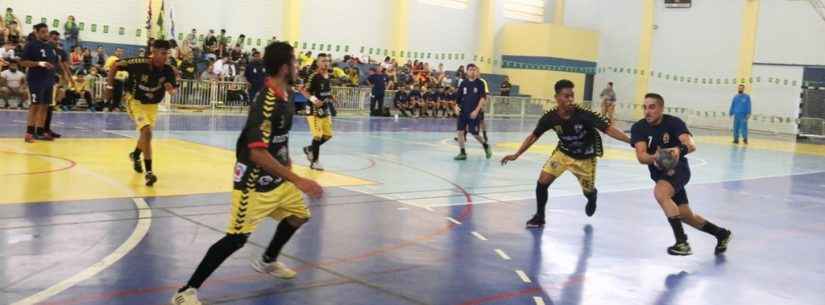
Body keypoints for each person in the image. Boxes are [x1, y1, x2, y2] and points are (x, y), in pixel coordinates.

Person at [171, 42, 323, 305]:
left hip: (278, 180)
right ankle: (186, 291)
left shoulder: (287, 94)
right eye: (295, 63)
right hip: (252, 182)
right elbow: (257, 153)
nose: (298, 67)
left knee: (299, 215)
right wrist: (298, 179)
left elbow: (279, 139)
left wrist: (288, 166)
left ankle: (268, 260)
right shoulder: (266, 102)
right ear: (286, 67)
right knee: (236, 239)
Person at [500, 79, 631, 228]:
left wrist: (631, 141)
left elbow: (608, 129)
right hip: (563, 153)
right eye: (566, 96)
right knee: (542, 182)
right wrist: (516, 154)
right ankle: (539, 217)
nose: (570, 99)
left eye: (572, 96)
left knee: (587, 191)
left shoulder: (584, 115)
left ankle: (592, 196)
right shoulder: (550, 117)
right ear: (557, 97)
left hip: (585, 159)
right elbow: (533, 136)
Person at [630, 93, 732, 255]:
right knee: (685, 215)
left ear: (661, 108)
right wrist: (655, 158)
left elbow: (691, 144)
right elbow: (641, 156)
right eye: (645, 107)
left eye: (652, 107)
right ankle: (721, 234)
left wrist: (677, 150)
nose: (647, 111)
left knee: (660, 193)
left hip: (679, 170)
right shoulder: (639, 127)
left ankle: (682, 243)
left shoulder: (674, 123)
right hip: (660, 174)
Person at [107, 40, 178, 186]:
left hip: (152, 105)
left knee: (145, 135)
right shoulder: (138, 63)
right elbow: (115, 65)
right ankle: (149, 173)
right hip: (135, 101)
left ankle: (135, 155)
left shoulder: (169, 70)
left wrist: (171, 88)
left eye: (167, 54)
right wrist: (109, 86)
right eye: (163, 53)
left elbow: (171, 87)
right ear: (154, 52)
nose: (166, 57)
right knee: (147, 133)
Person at [20, 23, 59, 142]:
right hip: (36, 80)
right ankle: (29, 134)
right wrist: (38, 63)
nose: (46, 34)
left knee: (45, 106)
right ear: (36, 33)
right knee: (35, 105)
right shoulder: (30, 45)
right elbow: (22, 63)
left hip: (48, 80)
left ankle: (40, 132)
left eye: (47, 31)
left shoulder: (49, 47)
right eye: (43, 32)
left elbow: (54, 63)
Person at [301, 53, 335, 171]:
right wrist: (314, 100)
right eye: (323, 61)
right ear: (317, 63)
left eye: (327, 60)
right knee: (317, 136)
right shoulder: (313, 76)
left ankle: (310, 149)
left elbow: (326, 92)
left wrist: (332, 97)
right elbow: (304, 91)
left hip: (324, 109)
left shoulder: (328, 76)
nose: (326, 63)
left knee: (328, 135)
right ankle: (315, 162)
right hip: (313, 110)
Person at [453, 64, 492, 160]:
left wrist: (476, 110)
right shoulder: (463, 83)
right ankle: (462, 152)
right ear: (467, 71)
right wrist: (456, 107)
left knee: (474, 133)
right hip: (463, 113)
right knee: (460, 132)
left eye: (474, 70)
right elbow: (457, 99)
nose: (473, 71)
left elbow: (483, 98)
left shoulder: (480, 83)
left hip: (474, 113)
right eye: (470, 70)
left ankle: (486, 145)